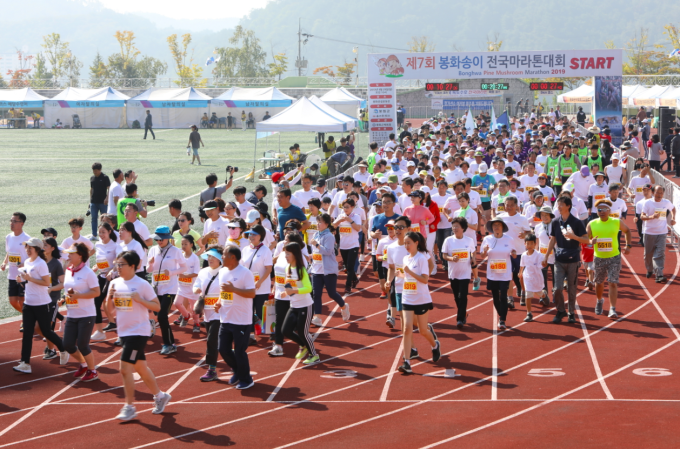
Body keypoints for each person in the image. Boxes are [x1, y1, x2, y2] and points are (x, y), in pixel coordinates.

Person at [105, 251, 171, 421]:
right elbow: (109, 312)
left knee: (125, 369)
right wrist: (110, 297)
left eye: (121, 265)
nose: (118, 268)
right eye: (117, 264)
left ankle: (129, 407)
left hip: (139, 331)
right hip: (124, 332)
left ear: (133, 266)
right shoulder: (114, 283)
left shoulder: (141, 284)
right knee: (140, 368)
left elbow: (157, 307)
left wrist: (140, 300)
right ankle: (160, 395)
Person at [13, 238, 69, 374]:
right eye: (26, 247)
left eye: (30, 247)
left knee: (46, 331)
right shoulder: (27, 262)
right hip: (28, 303)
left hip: (42, 303)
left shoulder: (41, 264)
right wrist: (21, 281)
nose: (27, 249)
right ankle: (25, 363)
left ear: (37, 249)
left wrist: (29, 278)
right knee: (27, 333)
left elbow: (46, 283)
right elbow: (28, 282)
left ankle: (63, 348)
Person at [215, 245, 257, 389]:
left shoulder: (245, 273)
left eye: (224, 255)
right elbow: (223, 292)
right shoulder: (222, 272)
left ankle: (247, 379)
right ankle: (239, 371)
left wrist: (234, 289)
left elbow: (252, 294)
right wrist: (219, 302)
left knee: (239, 351)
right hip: (225, 318)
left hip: (241, 319)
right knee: (223, 349)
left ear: (232, 257)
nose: (221, 257)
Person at [542, 196, 589, 324]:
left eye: (561, 204)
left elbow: (586, 240)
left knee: (572, 288)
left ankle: (571, 312)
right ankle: (560, 310)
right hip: (559, 259)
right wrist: (546, 256)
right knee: (557, 288)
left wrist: (574, 237)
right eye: (558, 204)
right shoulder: (556, 222)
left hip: (573, 259)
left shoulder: (577, 222)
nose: (558, 206)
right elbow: (553, 239)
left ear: (568, 206)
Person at [398, 231, 439, 374]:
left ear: (416, 243)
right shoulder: (405, 258)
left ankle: (434, 345)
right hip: (407, 297)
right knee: (407, 328)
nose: (406, 245)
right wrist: (401, 274)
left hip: (421, 298)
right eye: (404, 243)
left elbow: (424, 279)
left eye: (409, 243)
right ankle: (407, 361)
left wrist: (408, 271)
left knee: (422, 330)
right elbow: (407, 276)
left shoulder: (421, 258)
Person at [61, 243, 101, 381]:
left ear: (80, 255)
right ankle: (83, 364)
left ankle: (93, 370)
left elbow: (96, 292)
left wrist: (79, 296)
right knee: (67, 344)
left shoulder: (88, 273)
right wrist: (63, 299)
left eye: (71, 253)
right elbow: (68, 290)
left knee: (83, 345)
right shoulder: (68, 270)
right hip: (72, 313)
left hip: (86, 314)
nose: (69, 255)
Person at [587, 199, 633, 318]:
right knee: (599, 283)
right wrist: (590, 241)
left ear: (609, 210)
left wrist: (628, 246)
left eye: (604, 209)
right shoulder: (592, 223)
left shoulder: (616, 222)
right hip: (599, 258)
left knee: (612, 282)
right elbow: (585, 239)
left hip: (614, 257)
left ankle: (612, 309)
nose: (601, 211)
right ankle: (599, 300)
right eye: (599, 209)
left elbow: (627, 231)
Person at [147, 226, 188, 355]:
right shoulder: (153, 250)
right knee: (158, 315)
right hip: (156, 288)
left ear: (168, 238)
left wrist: (171, 272)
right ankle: (167, 341)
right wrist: (150, 264)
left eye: (162, 239)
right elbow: (148, 270)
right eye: (157, 239)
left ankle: (169, 344)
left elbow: (184, 267)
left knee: (163, 315)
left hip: (170, 288)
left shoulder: (175, 251)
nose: (159, 242)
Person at [280, 241, 319, 365]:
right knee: (285, 330)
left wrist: (293, 290)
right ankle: (303, 345)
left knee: (303, 332)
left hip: (305, 306)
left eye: (288, 254)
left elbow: (308, 288)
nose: (285, 256)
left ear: (295, 255)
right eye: (285, 254)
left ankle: (314, 355)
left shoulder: (301, 269)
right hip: (294, 305)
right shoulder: (287, 268)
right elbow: (290, 286)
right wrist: (286, 292)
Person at [310, 214, 350, 324]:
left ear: (326, 224)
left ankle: (343, 306)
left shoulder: (329, 236)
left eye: (320, 222)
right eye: (317, 222)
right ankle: (317, 317)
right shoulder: (315, 235)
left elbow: (327, 251)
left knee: (331, 293)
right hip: (316, 270)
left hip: (328, 270)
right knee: (316, 294)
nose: (317, 224)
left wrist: (317, 245)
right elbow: (315, 252)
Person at [193, 247, 224, 381]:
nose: (210, 259)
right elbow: (196, 285)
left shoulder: (225, 272)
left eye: (213, 257)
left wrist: (220, 301)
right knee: (215, 341)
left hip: (220, 312)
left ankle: (211, 370)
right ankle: (234, 363)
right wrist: (196, 289)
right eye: (209, 256)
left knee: (212, 340)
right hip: (207, 312)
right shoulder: (203, 271)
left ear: (220, 259)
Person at [480, 218, 516, 330]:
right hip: (493, 272)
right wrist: (485, 251)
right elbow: (482, 256)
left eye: (498, 225)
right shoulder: (487, 239)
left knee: (504, 296)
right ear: (492, 228)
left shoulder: (509, 239)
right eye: (494, 225)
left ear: (502, 227)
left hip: (505, 272)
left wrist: (514, 253)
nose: (496, 227)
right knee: (495, 297)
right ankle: (501, 314)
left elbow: (514, 255)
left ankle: (502, 319)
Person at [240, 225, 273, 343]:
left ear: (261, 236)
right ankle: (251, 336)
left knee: (260, 312)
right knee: (248, 311)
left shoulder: (266, 250)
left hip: (261, 287)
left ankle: (272, 329)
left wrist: (259, 282)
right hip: (248, 287)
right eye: (250, 234)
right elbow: (242, 267)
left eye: (254, 234)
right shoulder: (245, 249)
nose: (251, 236)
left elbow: (269, 269)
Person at [441, 217, 476, 329]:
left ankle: (460, 319)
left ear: (463, 228)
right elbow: (444, 255)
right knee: (457, 296)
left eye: (457, 226)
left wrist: (473, 259)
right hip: (453, 273)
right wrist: (451, 259)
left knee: (463, 295)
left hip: (465, 273)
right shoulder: (448, 240)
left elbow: (473, 253)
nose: (454, 228)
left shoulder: (469, 241)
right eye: (453, 226)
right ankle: (463, 312)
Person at [641, 185, 676, 283]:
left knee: (660, 253)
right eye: (657, 192)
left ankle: (659, 274)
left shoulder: (666, 202)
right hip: (649, 232)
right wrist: (652, 217)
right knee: (648, 254)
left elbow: (673, 208)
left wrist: (673, 218)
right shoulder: (648, 203)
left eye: (661, 193)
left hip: (662, 232)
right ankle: (649, 269)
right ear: (653, 192)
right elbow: (642, 217)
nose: (659, 195)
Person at [2, 212, 30, 321]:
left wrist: (25, 264)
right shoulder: (8, 237)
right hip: (12, 275)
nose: (11, 223)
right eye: (11, 221)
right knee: (13, 301)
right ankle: (28, 317)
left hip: (23, 276)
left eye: (15, 221)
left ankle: (28, 321)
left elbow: (34, 256)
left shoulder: (27, 239)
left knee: (22, 301)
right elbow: (9, 253)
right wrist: (4, 262)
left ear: (21, 223)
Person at [91, 223, 118, 339]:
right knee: (96, 302)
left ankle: (124, 329)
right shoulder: (97, 244)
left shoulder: (115, 245)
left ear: (109, 232)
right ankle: (100, 331)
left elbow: (118, 262)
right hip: (101, 276)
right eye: (99, 232)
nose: (101, 234)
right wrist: (96, 267)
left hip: (113, 278)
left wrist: (112, 271)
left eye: (103, 232)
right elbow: (100, 260)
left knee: (113, 304)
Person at [333, 198, 363, 294]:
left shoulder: (356, 217)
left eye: (347, 207)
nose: (345, 209)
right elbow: (332, 226)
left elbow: (358, 228)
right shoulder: (341, 216)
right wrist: (338, 221)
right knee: (347, 266)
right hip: (343, 245)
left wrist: (350, 221)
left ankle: (348, 286)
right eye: (344, 207)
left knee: (350, 267)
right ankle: (355, 279)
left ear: (352, 207)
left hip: (353, 245)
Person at [173, 235, 201, 332]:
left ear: (191, 244)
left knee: (194, 308)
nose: (183, 246)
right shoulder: (180, 256)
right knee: (176, 303)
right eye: (182, 244)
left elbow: (197, 273)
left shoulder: (195, 258)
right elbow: (176, 268)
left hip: (192, 288)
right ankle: (186, 315)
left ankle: (196, 323)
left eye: (186, 244)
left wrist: (186, 276)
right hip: (181, 287)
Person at [519, 234, 545, 322]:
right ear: (525, 244)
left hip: (537, 277)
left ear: (535, 244)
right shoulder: (523, 255)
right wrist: (520, 272)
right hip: (527, 277)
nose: (529, 245)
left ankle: (543, 294)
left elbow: (541, 265)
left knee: (538, 293)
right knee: (528, 296)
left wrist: (544, 264)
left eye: (531, 243)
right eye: (528, 243)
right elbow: (522, 265)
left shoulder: (538, 255)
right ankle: (529, 313)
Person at [534, 206, 555, 304]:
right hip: (542, 257)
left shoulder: (555, 225)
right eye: (542, 215)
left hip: (554, 256)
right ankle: (544, 296)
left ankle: (556, 295)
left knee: (556, 278)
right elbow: (537, 242)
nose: (544, 217)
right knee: (542, 278)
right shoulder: (538, 227)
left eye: (546, 215)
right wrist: (535, 253)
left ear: (550, 216)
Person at [89, 162, 111, 238]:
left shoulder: (105, 177)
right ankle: (94, 234)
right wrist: (90, 201)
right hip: (93, 202)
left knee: (105, 219)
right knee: (94, 218)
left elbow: (109, 189)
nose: (94, 172)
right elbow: (91, 189)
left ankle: (106, 234)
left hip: (103, 203)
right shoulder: (92, 178)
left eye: (96, 171)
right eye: (93, 171)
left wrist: (107, 198)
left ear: (100, 170)